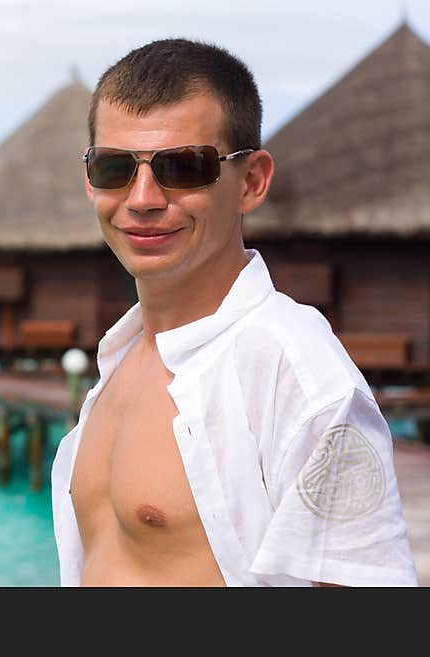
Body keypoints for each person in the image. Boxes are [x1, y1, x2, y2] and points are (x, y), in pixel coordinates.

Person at [50, 38, 418, 587]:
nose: (143, 197)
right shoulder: (118, 366)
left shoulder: (294, 370)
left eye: (184, 167)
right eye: (114, 168)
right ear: (89, 180)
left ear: (251, 181)